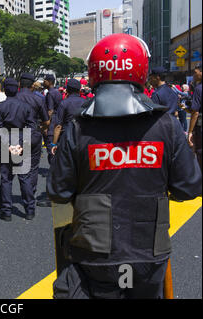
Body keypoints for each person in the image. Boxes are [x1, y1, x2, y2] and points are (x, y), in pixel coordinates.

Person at [48, 34, 202, 299]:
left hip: (94, 252)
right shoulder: (165, 125)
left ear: (94, 72)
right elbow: (189, 187)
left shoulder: (78, 127)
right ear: (142, 71)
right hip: (149, 253)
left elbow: (58, 191)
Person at [0, 78, 37, 221]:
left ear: (5, 90)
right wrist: (23, 145)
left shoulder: (0, 107)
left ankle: (6, 211)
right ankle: (29, 210)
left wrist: (8, 145)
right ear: (17, 88)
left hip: (6, 141)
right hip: (21, 139)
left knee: (6, 179)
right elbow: (32, 126)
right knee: (24, 177)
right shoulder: (25, 106)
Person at [16, 73, 49, 210]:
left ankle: (26, 196)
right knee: (34, 167)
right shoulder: (38, 99)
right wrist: (40, 129)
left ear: (20, 84)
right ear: (32, 85)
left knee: (20, 168)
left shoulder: (13, 98)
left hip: (16, 134)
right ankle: (31, 193)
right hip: (34, 133)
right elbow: (46, 121)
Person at [50, 78, 87, 156]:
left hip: (67, 138)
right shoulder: (86, 102)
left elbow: (58, 126)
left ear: (67, 89)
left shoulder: (64, 103)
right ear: (79, 89)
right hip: (83, 137)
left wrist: (54, 144)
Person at [43, 74, 63, 164]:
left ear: (49, 82)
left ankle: (53, 173)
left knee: (51, 149)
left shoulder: (50, 93)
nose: (43, 82)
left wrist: (46, 126)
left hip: (52, 123)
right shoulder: (58, 92)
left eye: (45, 81)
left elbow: (50, 111)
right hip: (58, 120)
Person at [188, 64, 202, 171]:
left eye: (195, 72)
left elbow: (195, 113)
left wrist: (190, 132)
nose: (193, 75)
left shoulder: (199, 89)